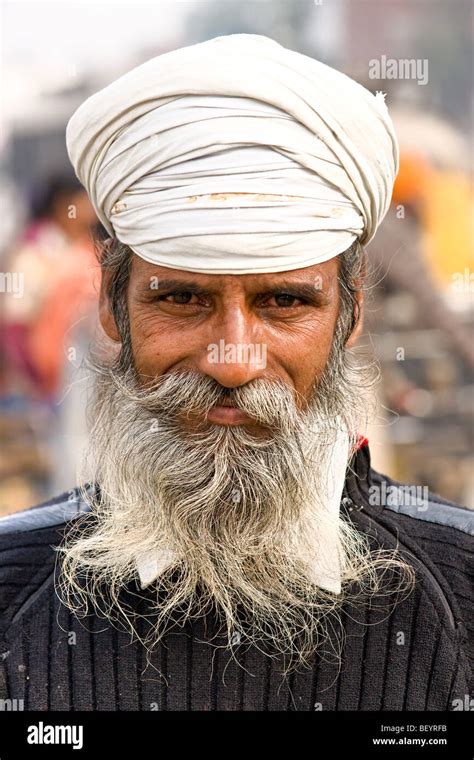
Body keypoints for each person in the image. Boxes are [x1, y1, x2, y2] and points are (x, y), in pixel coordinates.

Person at [0, 34, 472, 712]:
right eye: (182, 299)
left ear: (351, 315)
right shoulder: (13, 602)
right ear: (111, 308)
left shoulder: (460, 600)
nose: (233, 361)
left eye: (284, 302)